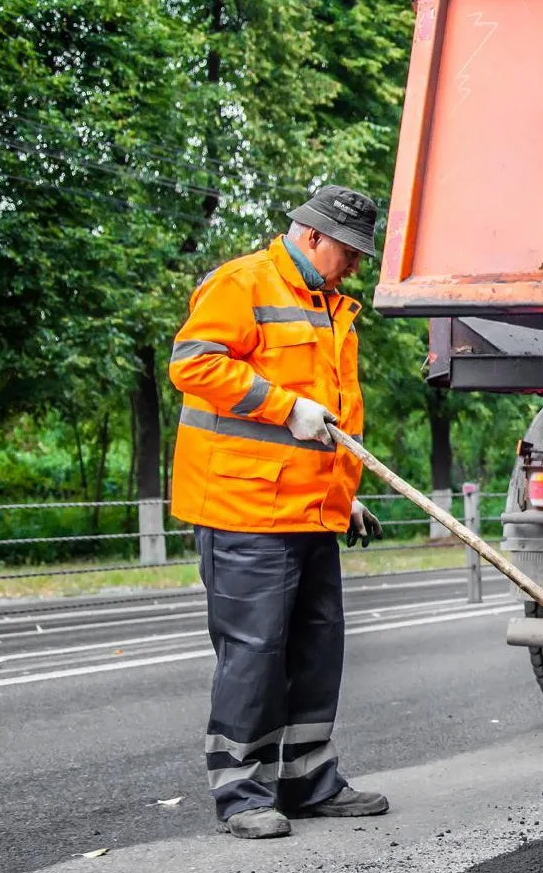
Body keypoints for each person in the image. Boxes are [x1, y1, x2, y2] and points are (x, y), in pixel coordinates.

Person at [168, 186, 389, 838]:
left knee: (318, 649)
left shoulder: (328, 306)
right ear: (312, 236)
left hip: (307, 511)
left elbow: (329, 424)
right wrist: (283, 405)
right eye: (349, 252)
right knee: (255, 655)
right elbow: (193, 364)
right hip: (243, 510)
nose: (355, 265)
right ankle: (242, 793)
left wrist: (344, 497)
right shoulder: (244, 282)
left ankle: (307, 781)